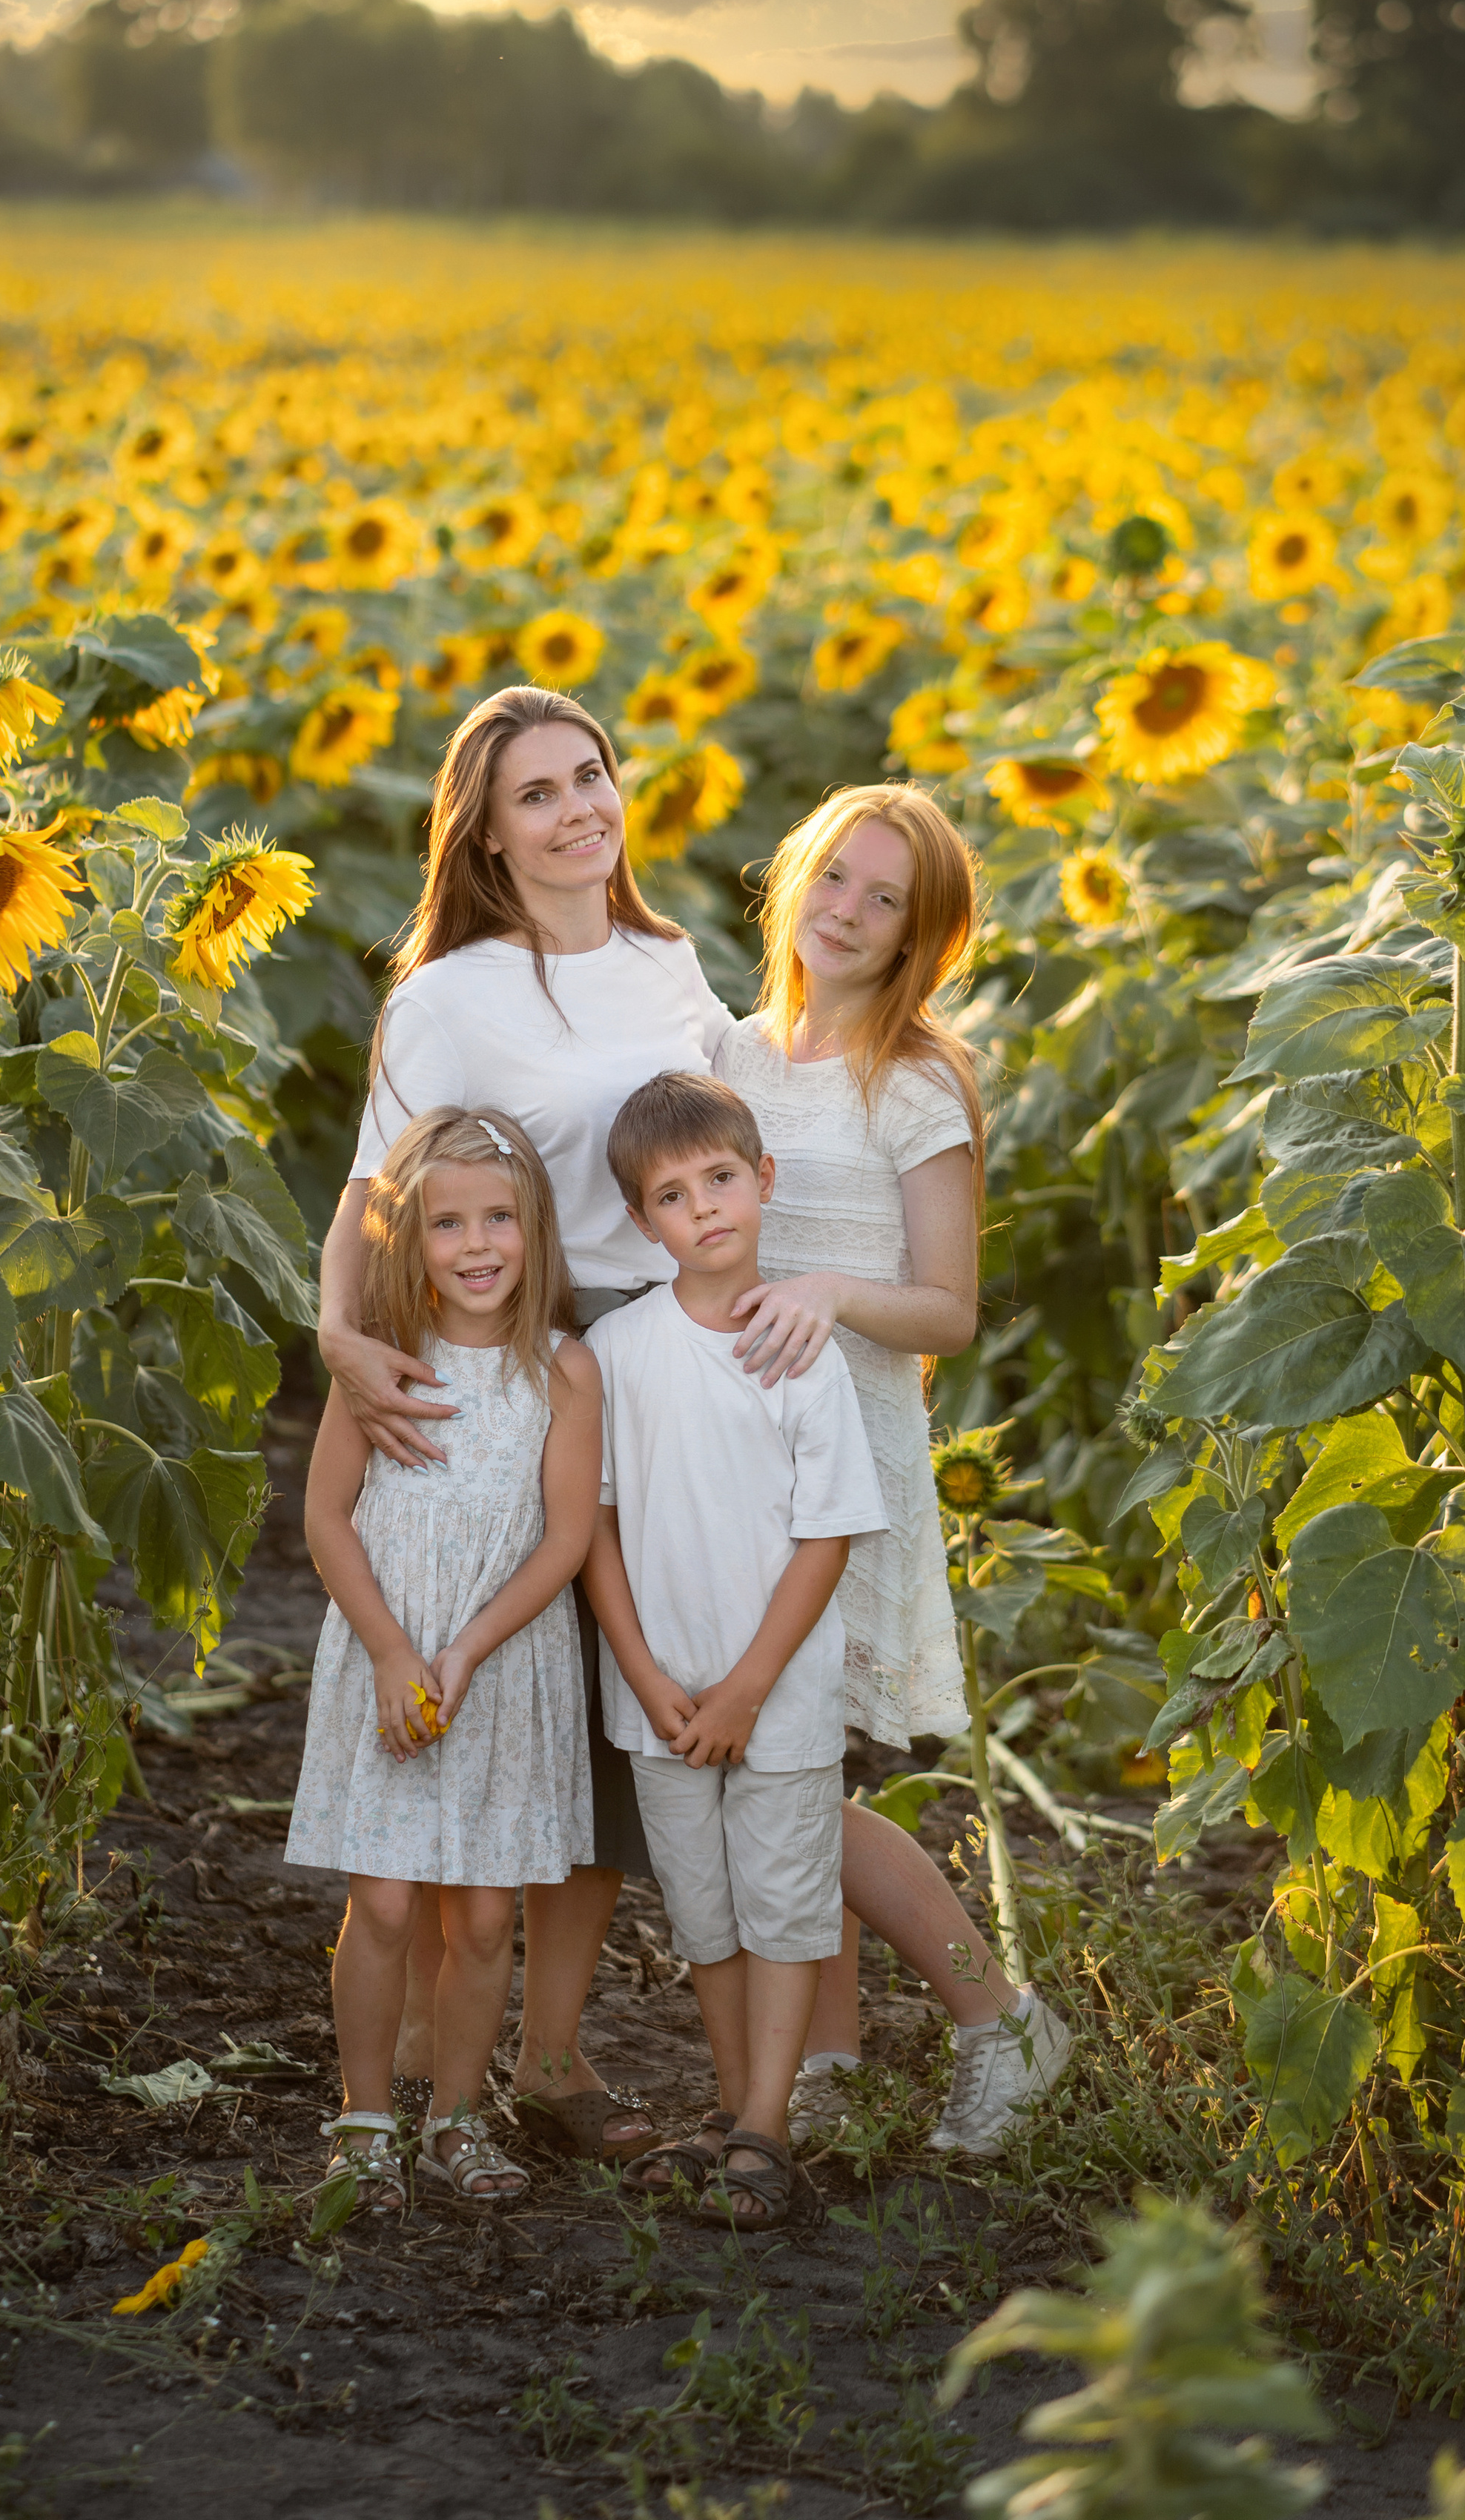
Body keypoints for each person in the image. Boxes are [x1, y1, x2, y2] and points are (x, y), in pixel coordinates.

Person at [316, 687, 813, 2163]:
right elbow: (369, 1194)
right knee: (470, 1676)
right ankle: (411, 2052)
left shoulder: (668, 967)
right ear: (483, 832)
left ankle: (547, 2055)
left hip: (651, 1358)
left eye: (588, 775)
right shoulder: (448, 995)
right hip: (506, 1349)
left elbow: (728, 1141)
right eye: (535, 793)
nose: (575, 808)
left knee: (592, 1715)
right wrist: (342, 1340)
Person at [716, 783, 1072, 2157]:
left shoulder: (916, 1083)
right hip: (727, 1454)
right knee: (787, 1766)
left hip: (842, 1461)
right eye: (838, 880)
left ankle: (1003, 2022)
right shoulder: (733, 1054)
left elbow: (948, 1311)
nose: (850, 914)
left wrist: (827, 1285)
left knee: (795, 1779)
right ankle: (840, 2068)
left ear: (922, 938)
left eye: (887, 902)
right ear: (795, 876)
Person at [581, 1071, 887, 2229]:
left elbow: (827, 1536)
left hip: (779, 1697)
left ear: (764, 1182)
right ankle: (729, 2105)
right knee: (704, 1918)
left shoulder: (795, 1349)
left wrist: (749, 1687)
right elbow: (595, 1528)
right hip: (659, 1699)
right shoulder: (617, 1351)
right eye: (673, 1194)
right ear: (640, 1221)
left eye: (721, 1180)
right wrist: (651, 1678)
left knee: (787, 1909)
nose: (704, 1209)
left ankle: (769, 2123)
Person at [287, 1107, 601, 2210]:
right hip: (390, 1655)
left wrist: (466, 1649)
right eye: (447, 1224)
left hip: (502, 1664)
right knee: (381, 1904)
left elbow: (566, 1538)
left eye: (499, 1218)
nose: (477, 1246)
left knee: (480, 1919)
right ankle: (365, 2118)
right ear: (406, 1240)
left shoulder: (564, 1373)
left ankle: (457, 2121)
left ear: (535, 1227)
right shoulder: (382, 1368)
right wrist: (391, 1651)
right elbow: (328, 1520)